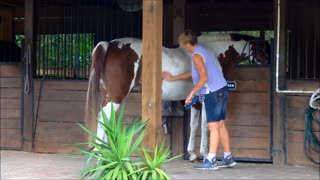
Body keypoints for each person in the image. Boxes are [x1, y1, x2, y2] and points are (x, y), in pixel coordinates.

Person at [162, 30, 237, 170]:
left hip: (212, 93)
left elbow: (204, 77)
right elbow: (194, 72)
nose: (182, 47)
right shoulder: (204, 51)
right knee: (221, 125)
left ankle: (211, 160)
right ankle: (228, 157)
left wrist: (191, 93)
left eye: (183, 44)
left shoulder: (196, 56)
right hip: (222, 90)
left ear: (187, 43)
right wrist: (173, 78)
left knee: (212, 126)